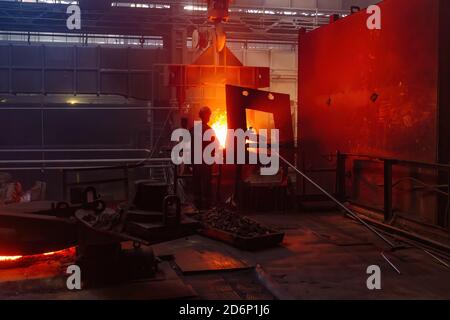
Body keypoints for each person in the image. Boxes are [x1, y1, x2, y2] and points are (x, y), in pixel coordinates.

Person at [190, 106, 216, 210]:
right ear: (206, 116)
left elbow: (190, 146)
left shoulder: (193, 130)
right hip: (205, 161)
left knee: (196, 182)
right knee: (206, 183)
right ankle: (206, 206)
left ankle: (197, 205)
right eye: (209, 115)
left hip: (196, 161)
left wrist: (190, 162)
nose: (209, 117)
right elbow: (213, 147)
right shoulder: (209, 130)